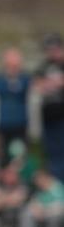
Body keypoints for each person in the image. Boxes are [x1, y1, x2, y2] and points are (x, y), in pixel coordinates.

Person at [0, 48, 30, 162]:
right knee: (3, 157)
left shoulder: (25, 79)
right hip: (3, 125)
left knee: (19, 157)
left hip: (20, 125)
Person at [36, 34, 64, 181]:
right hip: (48, 117)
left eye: (55, 49)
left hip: (61, 116)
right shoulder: (44, 66)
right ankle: (57, 185)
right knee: (52, 153)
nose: (52, 53)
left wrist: (53, 83)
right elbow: (38, 84)